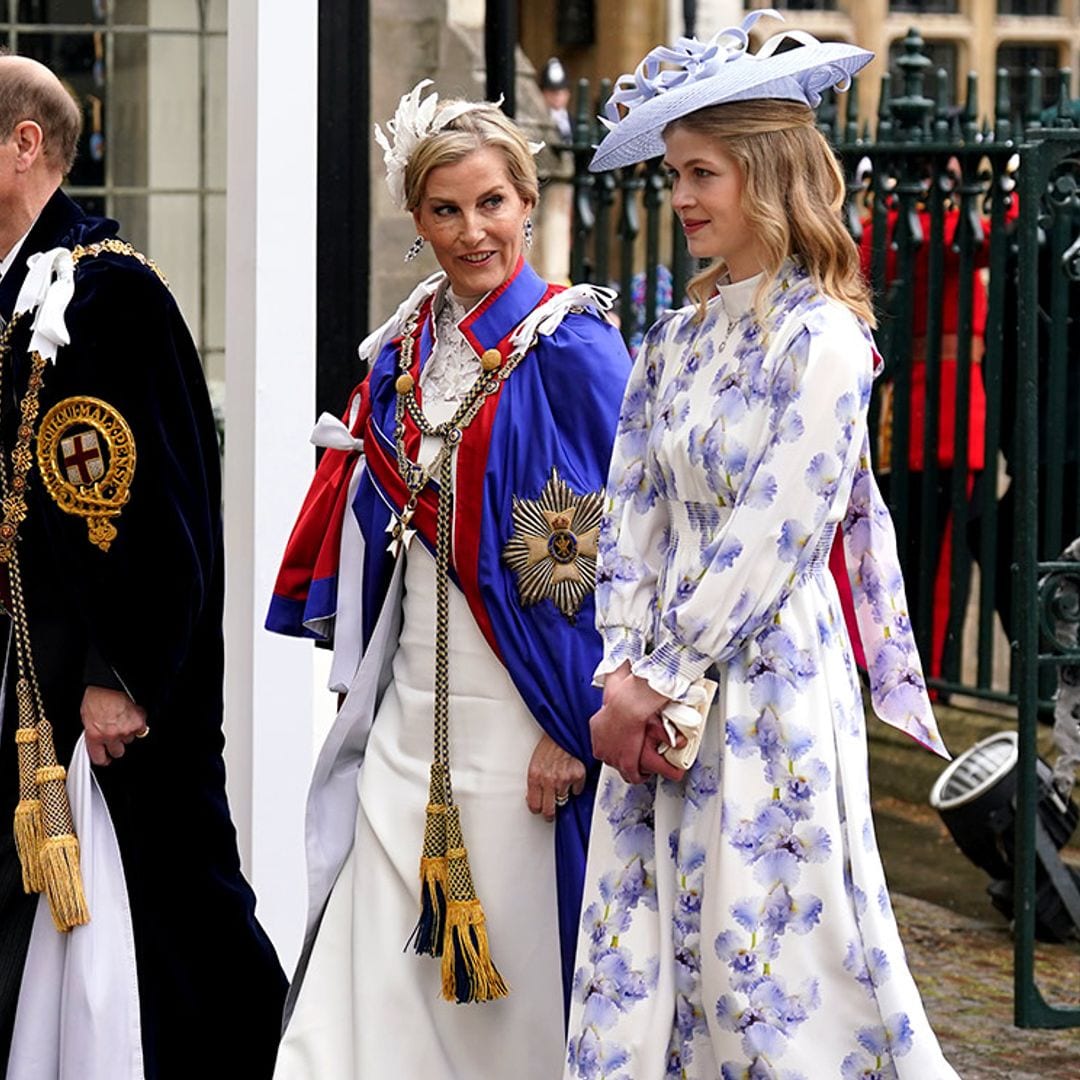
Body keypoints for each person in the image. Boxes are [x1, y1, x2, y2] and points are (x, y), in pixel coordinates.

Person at [564, 14, 959, 1078]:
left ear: (772, 176)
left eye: (705, 173)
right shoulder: (674, 340)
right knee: (648, 951)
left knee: (768, 955)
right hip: (652, 684)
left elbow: (778, 528)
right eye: (677, 175)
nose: (683, 198)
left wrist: (659, 673)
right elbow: (631, 510)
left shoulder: (824, 337)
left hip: (769, 680)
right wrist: (620, 664)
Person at [266, 80, 631, 1079]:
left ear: (526, 199)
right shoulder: (405, 346)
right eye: (446, 210)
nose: (473, 232)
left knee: (509, 985)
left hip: (527, 710)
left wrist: (573, 724)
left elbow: (625, 549)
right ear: (416, 218)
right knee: (364, 978)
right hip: (410, 706)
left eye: (492, 204)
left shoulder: (575, 344)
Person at [0, 54, 286, 1078]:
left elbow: (162, 507)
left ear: (25, 144)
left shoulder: (109, 288)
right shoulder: (15, 286)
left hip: (105, 689)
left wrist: (119, 673)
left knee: (174, 918)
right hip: (23, 674)